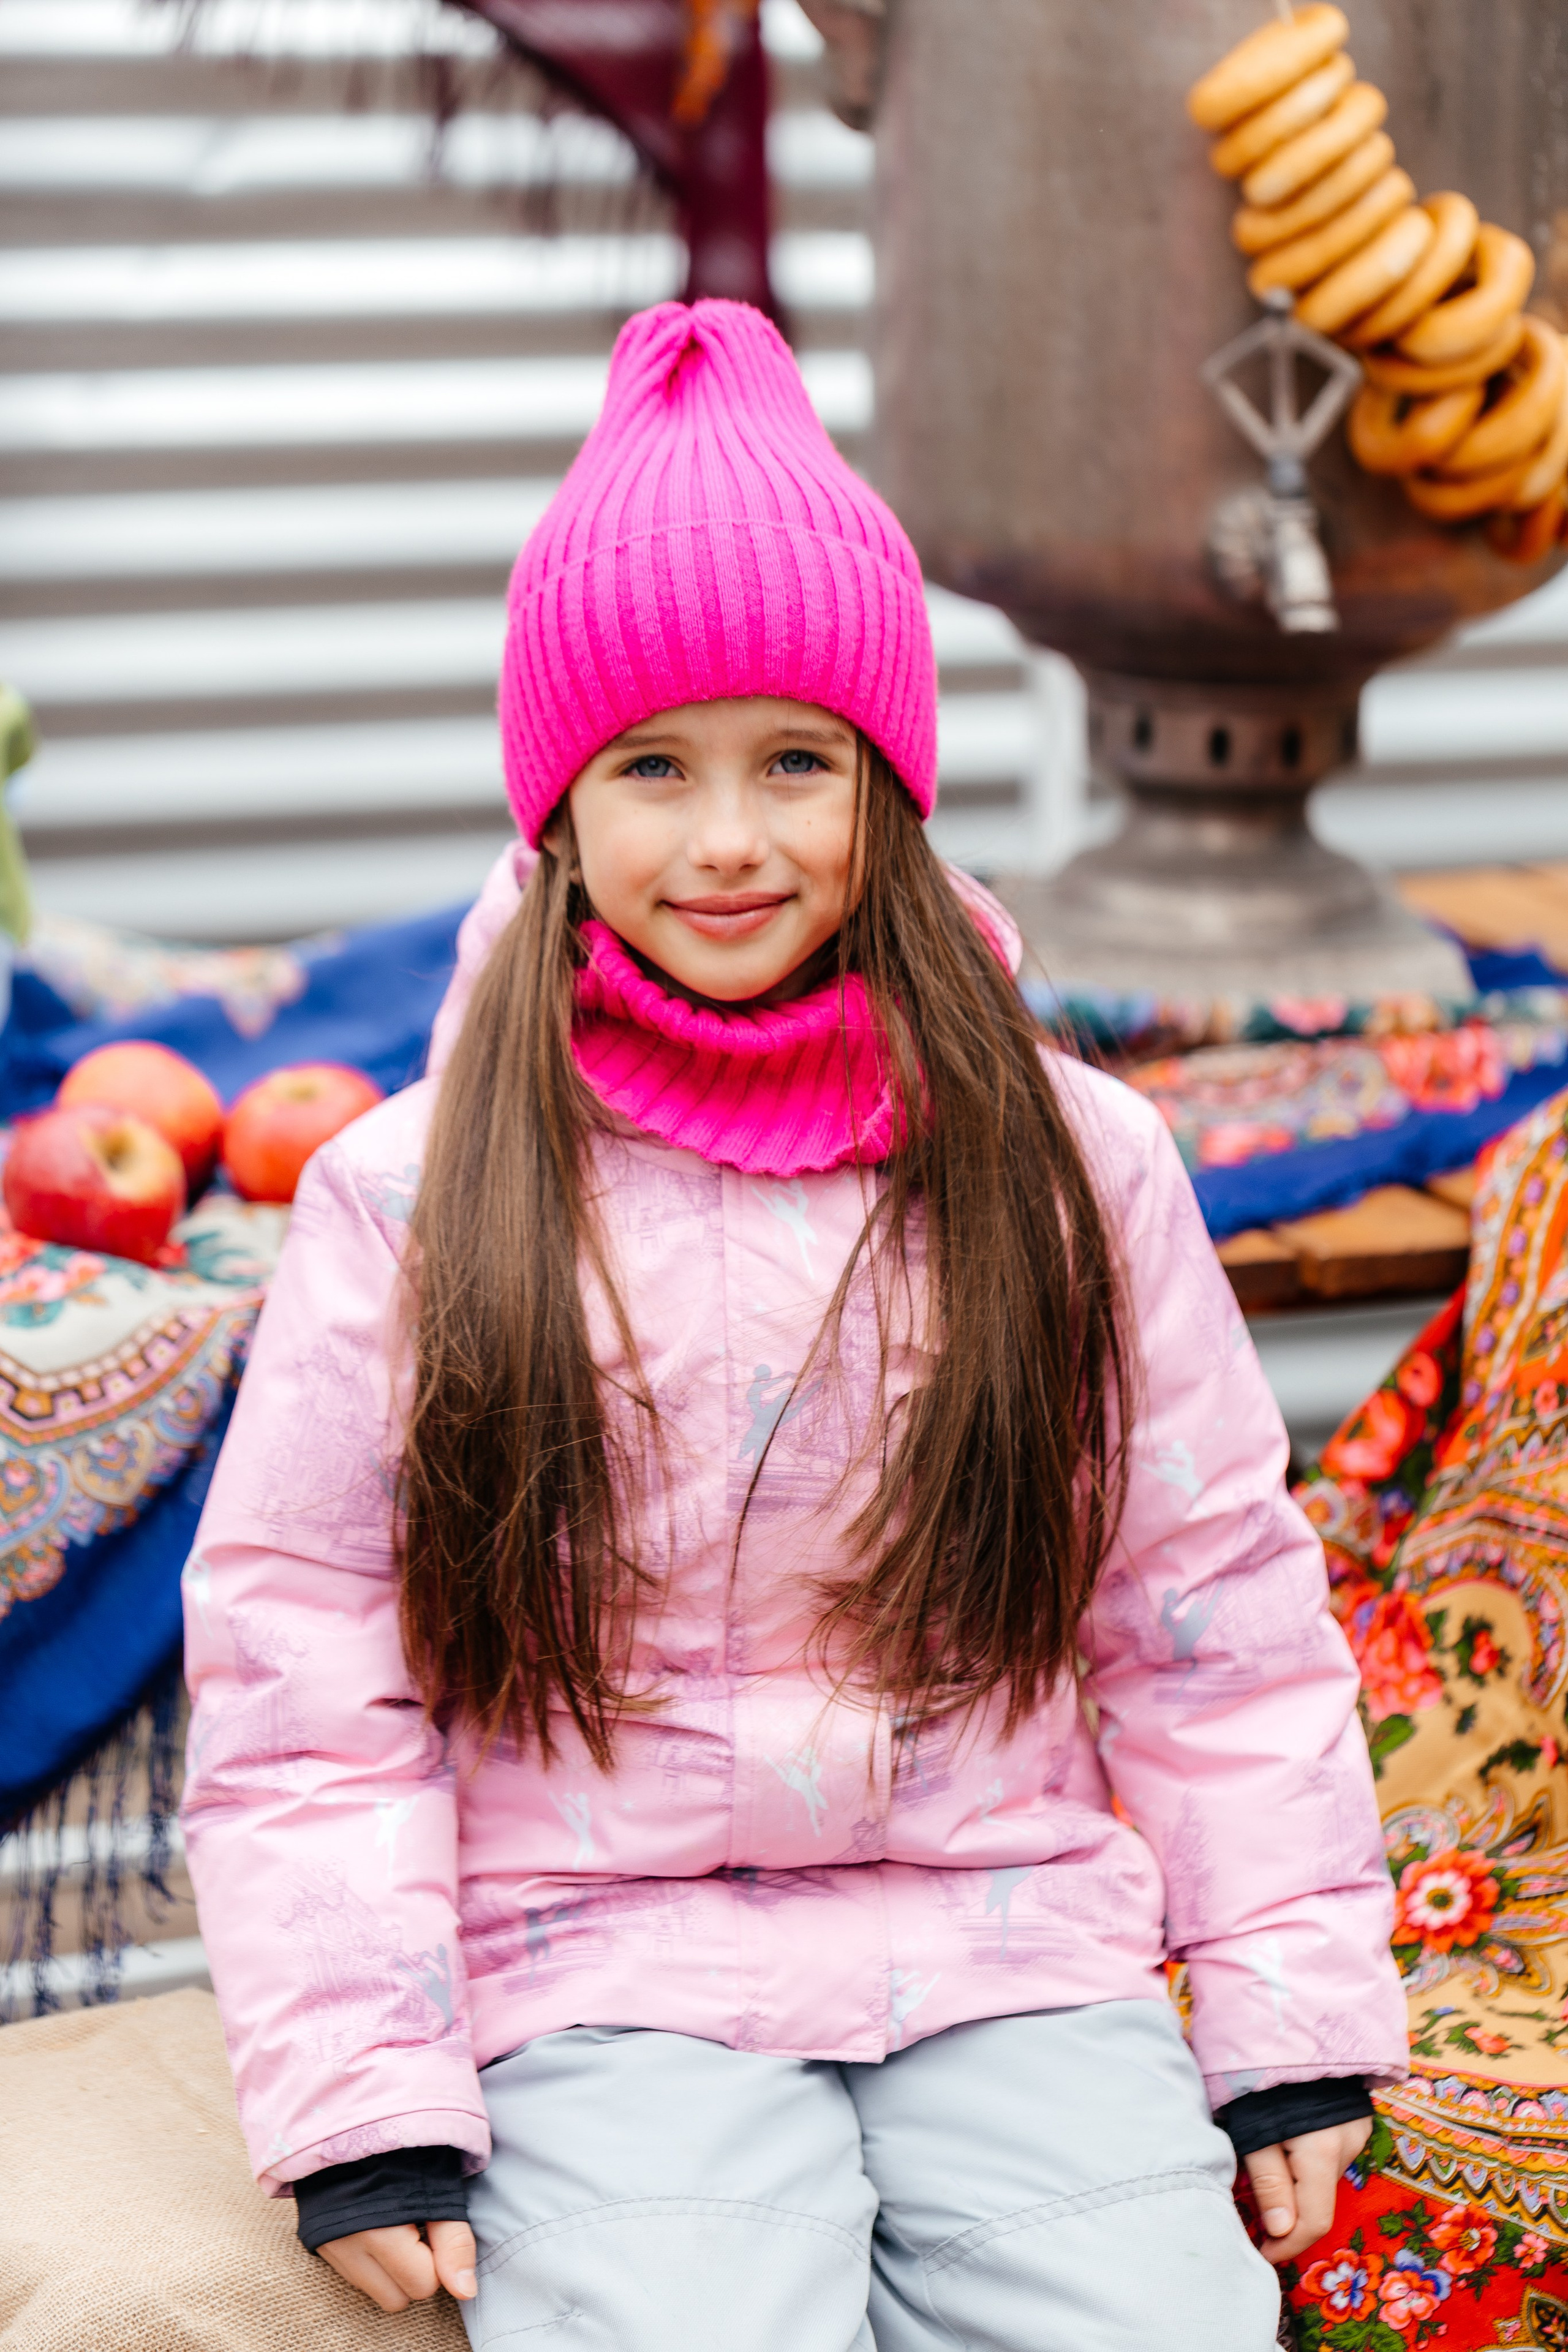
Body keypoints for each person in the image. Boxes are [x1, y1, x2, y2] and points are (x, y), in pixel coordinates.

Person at [181, 300, 1407, 2352]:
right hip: (595, 1956)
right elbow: (309, 1680)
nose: (729, 838)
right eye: (651, 766)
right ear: (555, 806)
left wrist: (1285, 2015)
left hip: (1008, 1939)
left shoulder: (1071, 1161)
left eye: (795, 762)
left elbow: (1210, 1613)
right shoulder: (407, 1197)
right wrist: (364, 2102)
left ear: (889, 786)